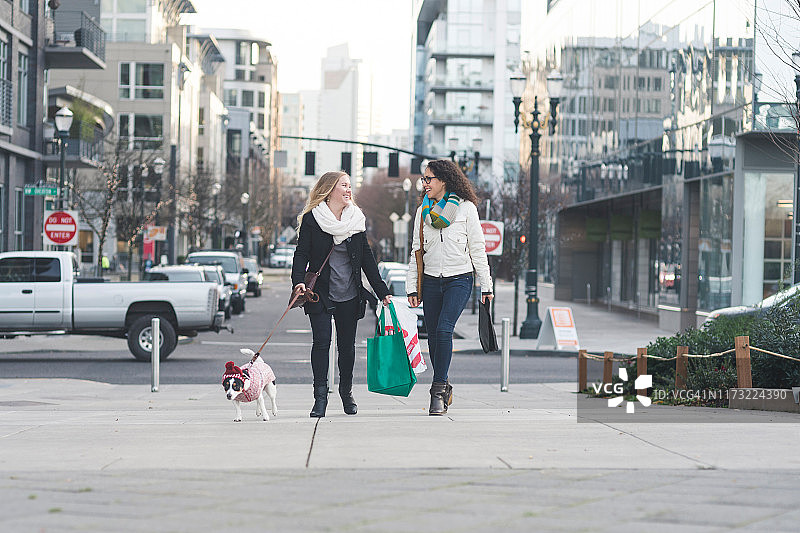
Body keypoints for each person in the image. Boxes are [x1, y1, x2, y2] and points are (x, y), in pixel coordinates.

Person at [292, 171, 392, 417]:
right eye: (344, 186)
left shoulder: (356, 219)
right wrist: (298, 282)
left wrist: (382, 292)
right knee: (321, 343)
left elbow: (367, 259)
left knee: (347, 349)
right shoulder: (313, 219)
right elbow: (301, 253)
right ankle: (320, 398)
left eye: (350, 186)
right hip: (321, 293)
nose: (349, 190)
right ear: (330, 189)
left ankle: (346, 392)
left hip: (349, 292)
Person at [406, 160, 493, 416]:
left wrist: (485, 285)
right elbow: (416, 251)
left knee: (444, 330)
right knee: (432, 336)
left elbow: (478, 248)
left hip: (460, 279)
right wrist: (413, 287)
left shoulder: (466, 209)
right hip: (432, 280)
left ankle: (438, 389)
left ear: (443, 180)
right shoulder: (423, 211)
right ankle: (445, 384)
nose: (425, 183)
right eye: (424, 179)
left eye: (428, 179)